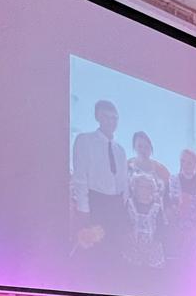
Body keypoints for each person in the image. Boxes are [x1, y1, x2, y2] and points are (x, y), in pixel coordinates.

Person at [71, 100, 128, 254]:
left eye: (114, 118)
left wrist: (122, 206)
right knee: (94, 250)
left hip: (116, 205)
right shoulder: (85, 140)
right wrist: (83, 209)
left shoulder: (120, 149)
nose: (111, 121)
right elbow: (80, 178)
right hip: (96, 202)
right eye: (106, 117)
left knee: (115, 251)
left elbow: (123, 181)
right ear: (97, 117)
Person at [167, 149, 196, 260]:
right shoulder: (172, 182)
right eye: (183, 161)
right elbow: (166, 206)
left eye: (189, 162)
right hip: (176, 231)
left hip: (195, 235)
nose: (185, 165)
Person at [122, 173, 165, 269]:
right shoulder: (129, 204)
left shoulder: (157, 208)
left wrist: (155, 243)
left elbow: (162, 228)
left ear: (152, 189)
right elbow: (123, 224)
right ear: (135, 188)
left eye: (148, 187)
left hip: (152, 250)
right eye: (142, 187)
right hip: (132, 249)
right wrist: (129, 236)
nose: (145, 190)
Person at [127, 131, 170, 196]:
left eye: (146, 147)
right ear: (134, 147)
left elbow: (170, 191)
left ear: (151, 148)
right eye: (140, 146)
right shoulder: (127, 166)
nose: (143, 150)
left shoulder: (160, 169)